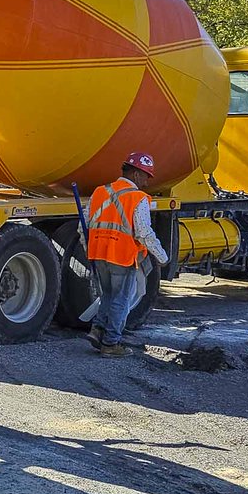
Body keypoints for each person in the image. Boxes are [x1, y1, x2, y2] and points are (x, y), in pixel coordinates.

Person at [85, 150, 169, 357]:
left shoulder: (100, 192)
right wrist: (162, 256)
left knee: (108, 295)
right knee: (121, 300)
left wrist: (88, 246)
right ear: (136, 174)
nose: (147, 183)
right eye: (146, 177)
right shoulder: (137, 198)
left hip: (98, 254)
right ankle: (111, 344)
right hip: (122, 255)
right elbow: (143, 232)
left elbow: (85, 223)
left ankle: (97, 330)